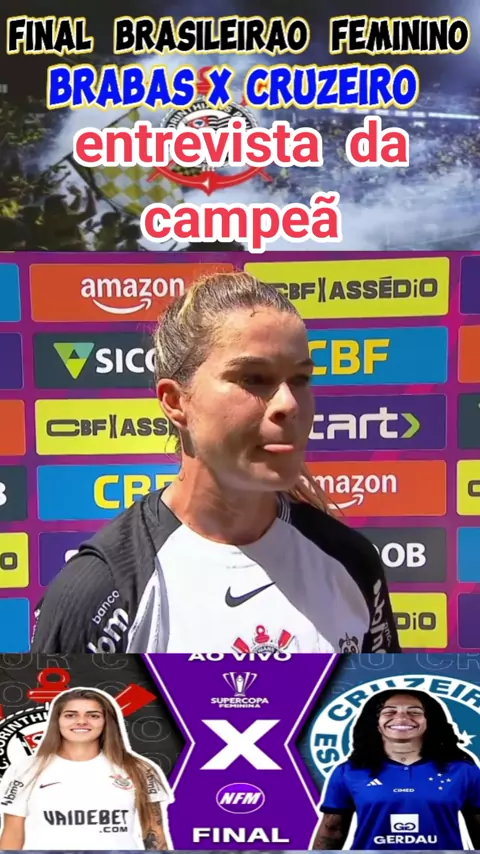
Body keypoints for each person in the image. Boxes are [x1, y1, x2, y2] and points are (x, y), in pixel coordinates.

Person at [31, 271, 400, 654]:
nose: (289, 404)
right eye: (254, 378)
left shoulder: (350, 562)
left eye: (301, 379)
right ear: (175, 401)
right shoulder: (100, 589)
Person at [0, 688, 172, 850]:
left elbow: (154, 832)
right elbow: (12, 835)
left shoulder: (139, 768)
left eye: (93, 715)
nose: (81, 721)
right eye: (70, 715)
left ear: (106, 722)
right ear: (57, 721)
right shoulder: (26, 770)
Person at [312, 689, 480, 850]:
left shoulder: (463, 771)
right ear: (375, 722)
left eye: (414, 712)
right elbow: (332, 830)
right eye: (389, 712)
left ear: (430, 720)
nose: (402, 718)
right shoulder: (349, 772)